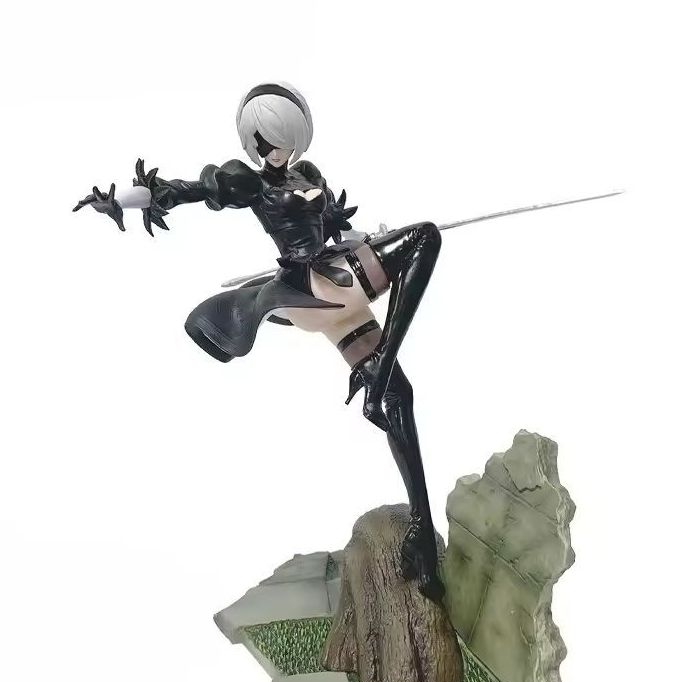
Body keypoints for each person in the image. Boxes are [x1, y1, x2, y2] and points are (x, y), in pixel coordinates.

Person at [73, 82, 445, 601]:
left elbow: (332, 230)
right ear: (255, 139)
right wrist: (123, 199)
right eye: (271, 142)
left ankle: (421, 532)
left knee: (399, 400)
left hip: (338, 297)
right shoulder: (247, 182)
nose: (279, 152)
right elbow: (185, 191)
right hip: (315, 288)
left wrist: (367, 240)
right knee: (425, 237)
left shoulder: (307, 173)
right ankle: (380, 374)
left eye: (286, 141)